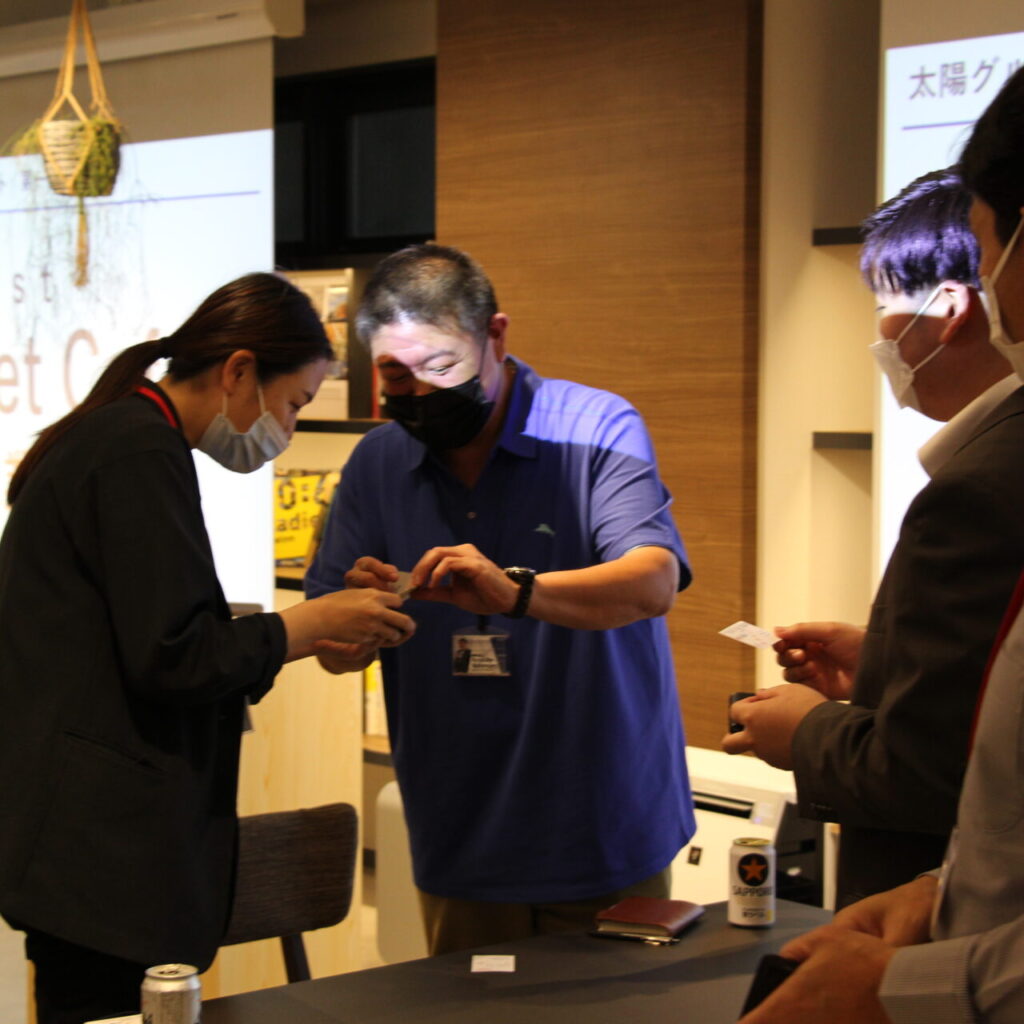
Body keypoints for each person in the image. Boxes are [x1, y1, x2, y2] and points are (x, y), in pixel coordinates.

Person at [0, 272, 415, 1024]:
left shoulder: (125, 439)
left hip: (96, 851)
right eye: (293, 404)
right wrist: (308, 623)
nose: (288, 429)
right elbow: (176, 655)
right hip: (102, 857)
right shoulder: (135, 450)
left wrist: (313, 623)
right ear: (239, 372)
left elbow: (152, 633)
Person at [305, 243, 695, 954]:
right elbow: (331, 650)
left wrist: (516, 593)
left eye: (440, 366)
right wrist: (358, 624)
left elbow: (652, 581)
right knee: (470, 1000)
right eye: (396, 375)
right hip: (460, 832)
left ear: (496, 335)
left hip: (604, 825)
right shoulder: (377, 462)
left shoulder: (595, 429)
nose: (420, 393)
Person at [736, 66, 1024, 1024]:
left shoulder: (980, 487)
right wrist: (885, 666)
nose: (882, 340)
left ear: (953, 308)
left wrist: (803, 733)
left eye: (882, 309)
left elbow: (928, 772)